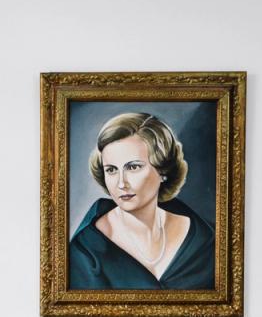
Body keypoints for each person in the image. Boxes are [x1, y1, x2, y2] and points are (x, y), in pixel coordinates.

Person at [68, 111, 215, 290]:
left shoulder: (203, 238)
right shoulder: (86, 251)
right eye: (111, 170)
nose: (121, 183)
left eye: (133, 167)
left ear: (162, 170)